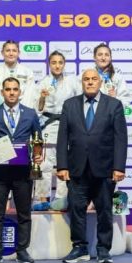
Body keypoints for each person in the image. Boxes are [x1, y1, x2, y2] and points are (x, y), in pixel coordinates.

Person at [56, 68, 128, 263]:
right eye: (86, 79)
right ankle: (79, 248)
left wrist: (119, 167)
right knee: (76, 209)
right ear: (82, 82)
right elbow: (62, 138)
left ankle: (103, 249)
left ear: (100, 82)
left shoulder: (114, 105)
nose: (89, 82)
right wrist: (62, 166)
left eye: (93, 79)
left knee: (104, 210)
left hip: (105, 169)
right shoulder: (70, 105)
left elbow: (120, 138)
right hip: (76, 169)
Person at [0, 77, 43, 263]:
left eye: (15, 89)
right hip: (0, 172)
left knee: (24, 214)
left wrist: (38, 155)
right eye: (8, 89)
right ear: (2, 92)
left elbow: (38, 138)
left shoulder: (30, 114)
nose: (12, 92)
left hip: (23, 172)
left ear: (20, 92)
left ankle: (22, 250)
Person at [32, 51, 80, 207]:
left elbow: (80, 102)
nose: (57, 66)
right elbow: (37, 109)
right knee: (44, 164)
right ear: (49, 64)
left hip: (68, 124)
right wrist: (42, 97)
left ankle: (61, 199)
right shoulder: (42, 83)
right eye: (54, 62)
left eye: (60, 62)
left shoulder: (72, 82)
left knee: (64, 163)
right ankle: (42, 199)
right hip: (48, 125)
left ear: (64, 64)